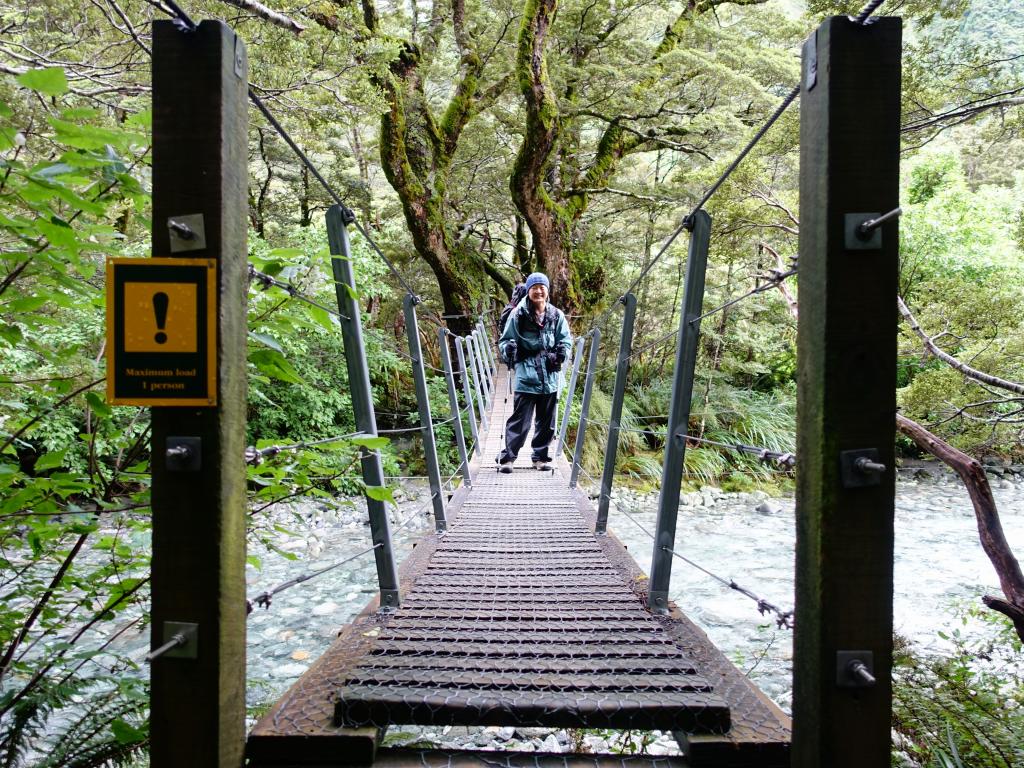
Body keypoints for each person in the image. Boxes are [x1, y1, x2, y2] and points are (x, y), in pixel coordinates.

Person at [495, 272, 572, 472]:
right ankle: (508, 459)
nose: (538, 291)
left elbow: (565, 340)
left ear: (547, 291)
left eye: (542, 287)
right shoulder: (518, 314)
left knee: (547, 421)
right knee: (521, 420)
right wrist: (508, 350)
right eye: (534, 287)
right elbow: (505, 341)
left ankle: (540, 458)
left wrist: (562, 351)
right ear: (528, 291)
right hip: (526, 374)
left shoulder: (556, 315)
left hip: (550, 374)